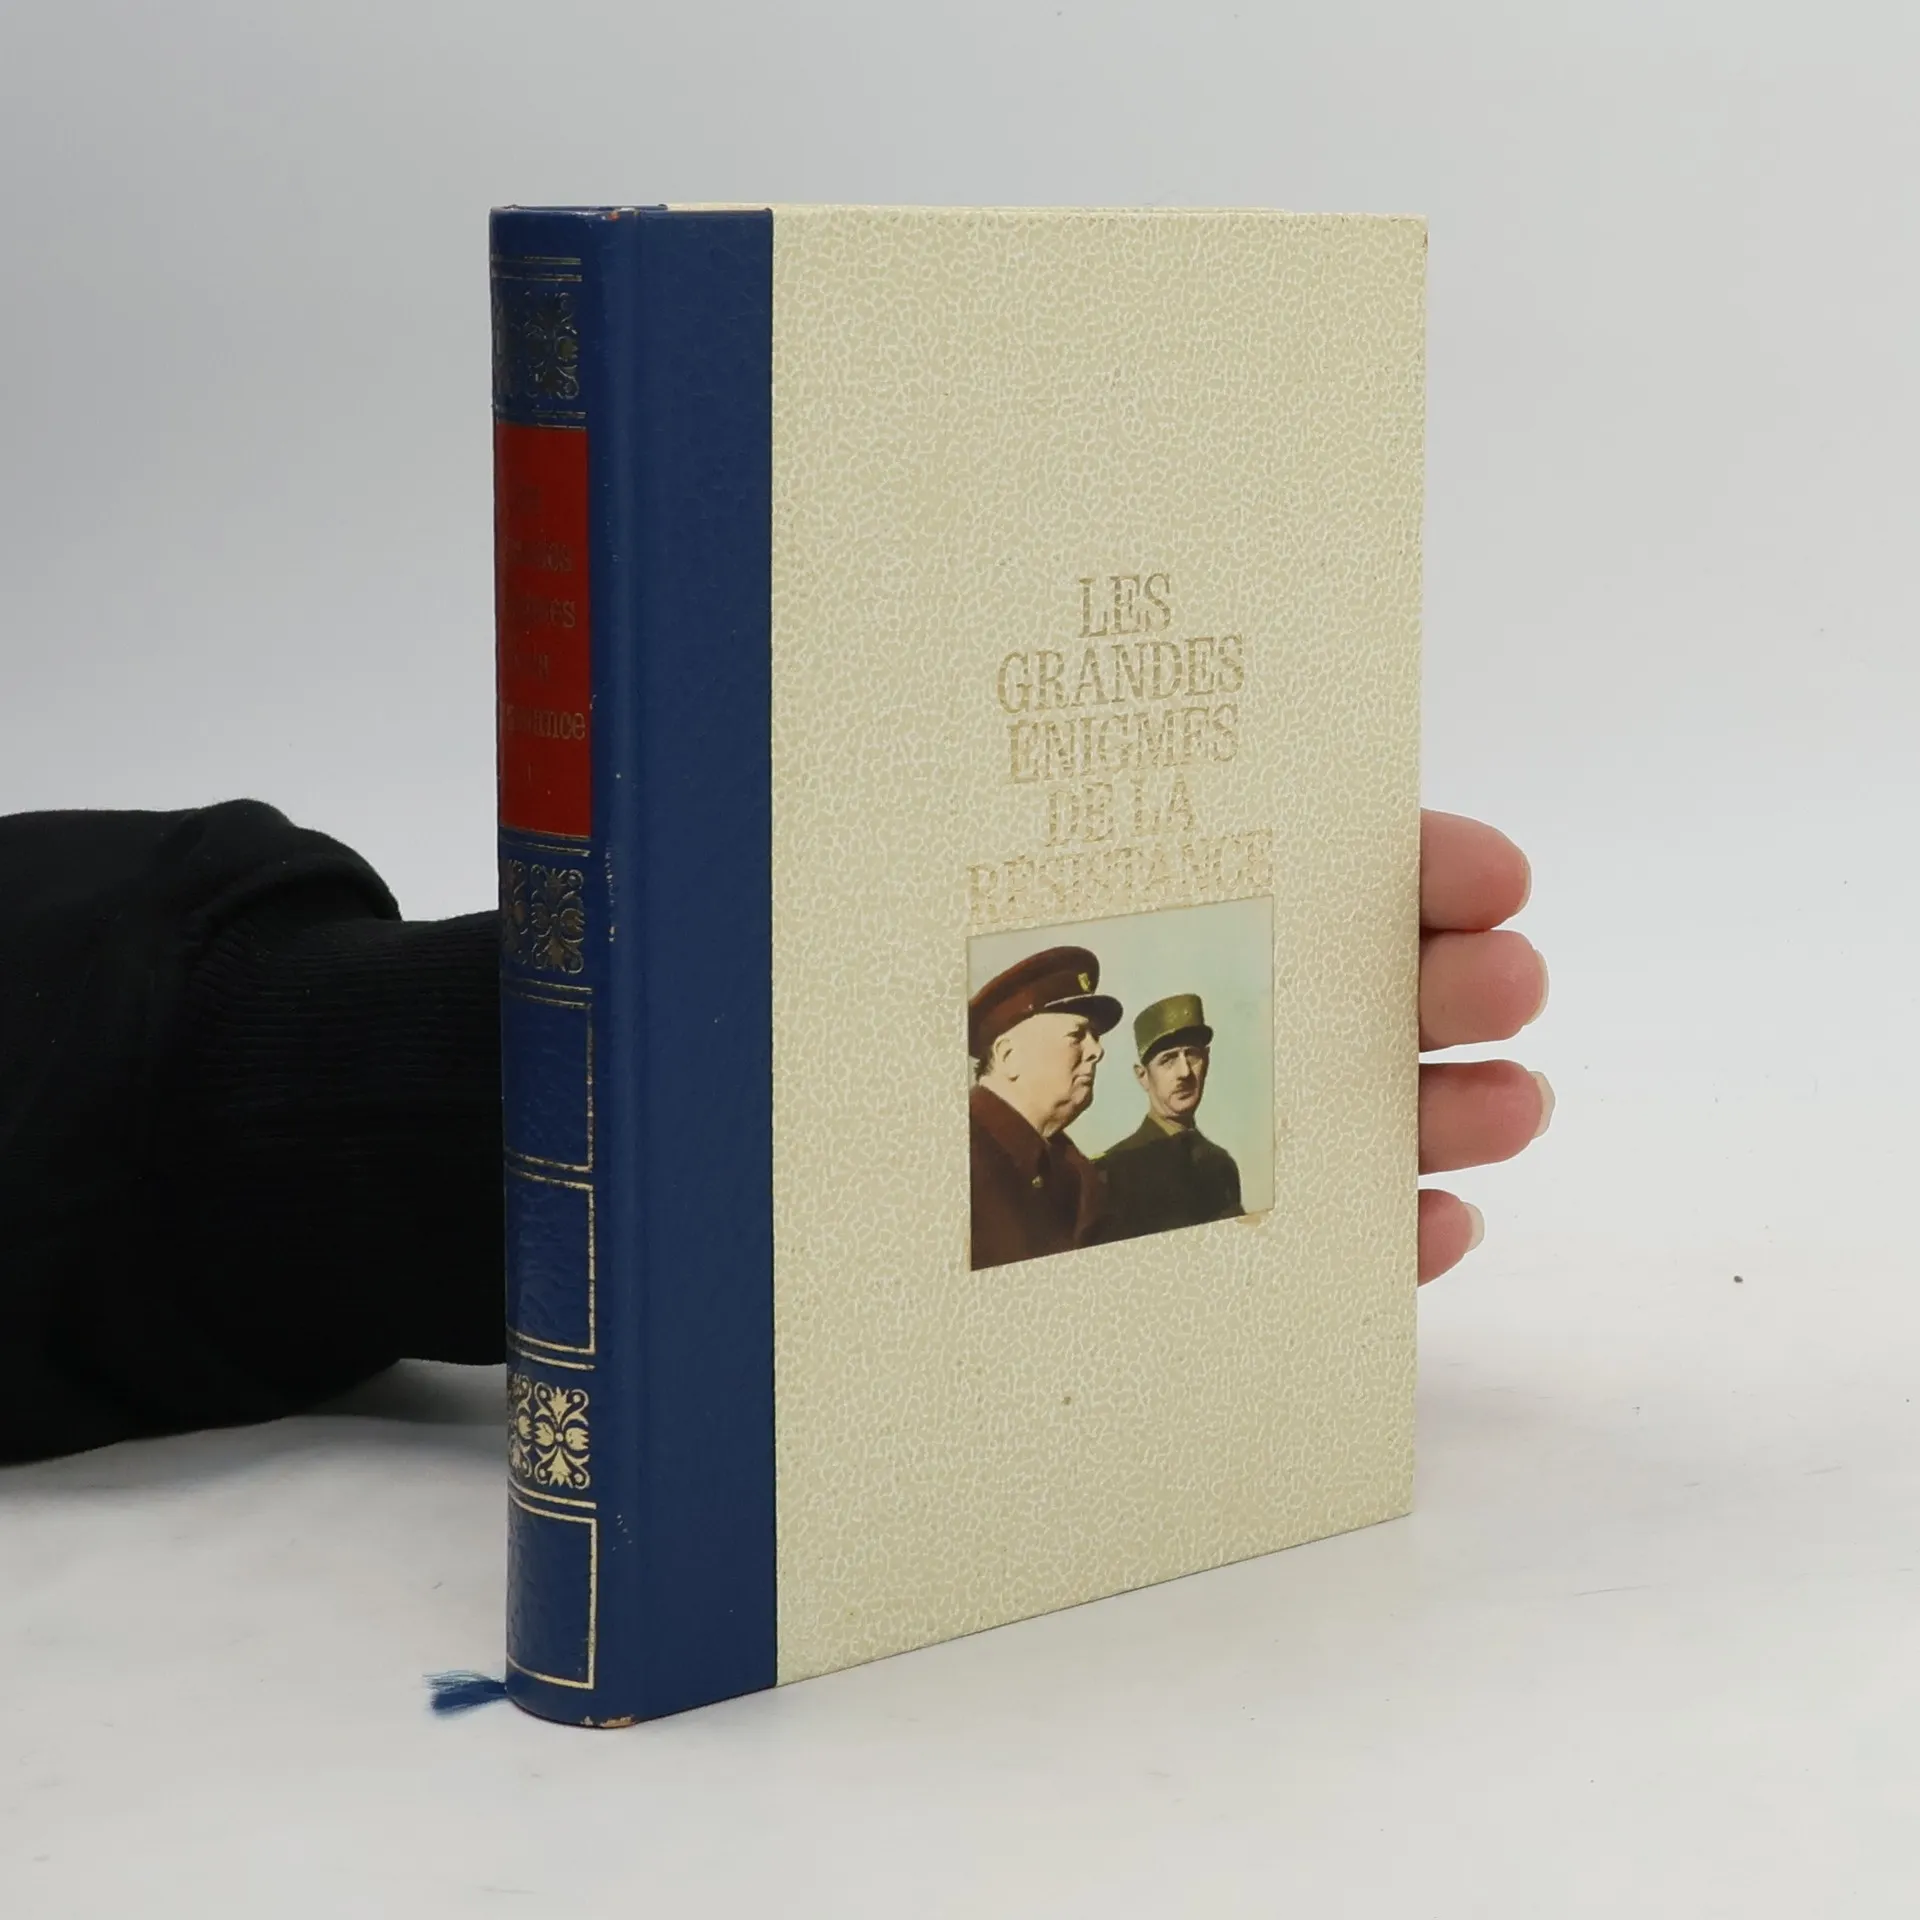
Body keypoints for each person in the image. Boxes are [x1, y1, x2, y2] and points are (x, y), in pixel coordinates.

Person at [0, 802, 1549, 1463]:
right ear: (1001, 1042)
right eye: (1081, 1032)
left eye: (1117, 1036)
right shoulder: (1011, 1169)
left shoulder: (1103, 1179)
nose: (1105, 1054)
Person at [967, 945, 1122, 1270]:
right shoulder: (960, 1155)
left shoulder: (1074, 1173)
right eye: (1077, 1036)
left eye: (1094, 1036)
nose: (1097, 1051)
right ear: (1009, 1056)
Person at [1096, 993, 1243, 1240]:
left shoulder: (1221, 1165)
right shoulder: (1114, 1172)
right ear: (1143, 1076)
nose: (1184, 1072)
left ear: (1207, 1061)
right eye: (1168, 1059)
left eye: (1192, 1055)